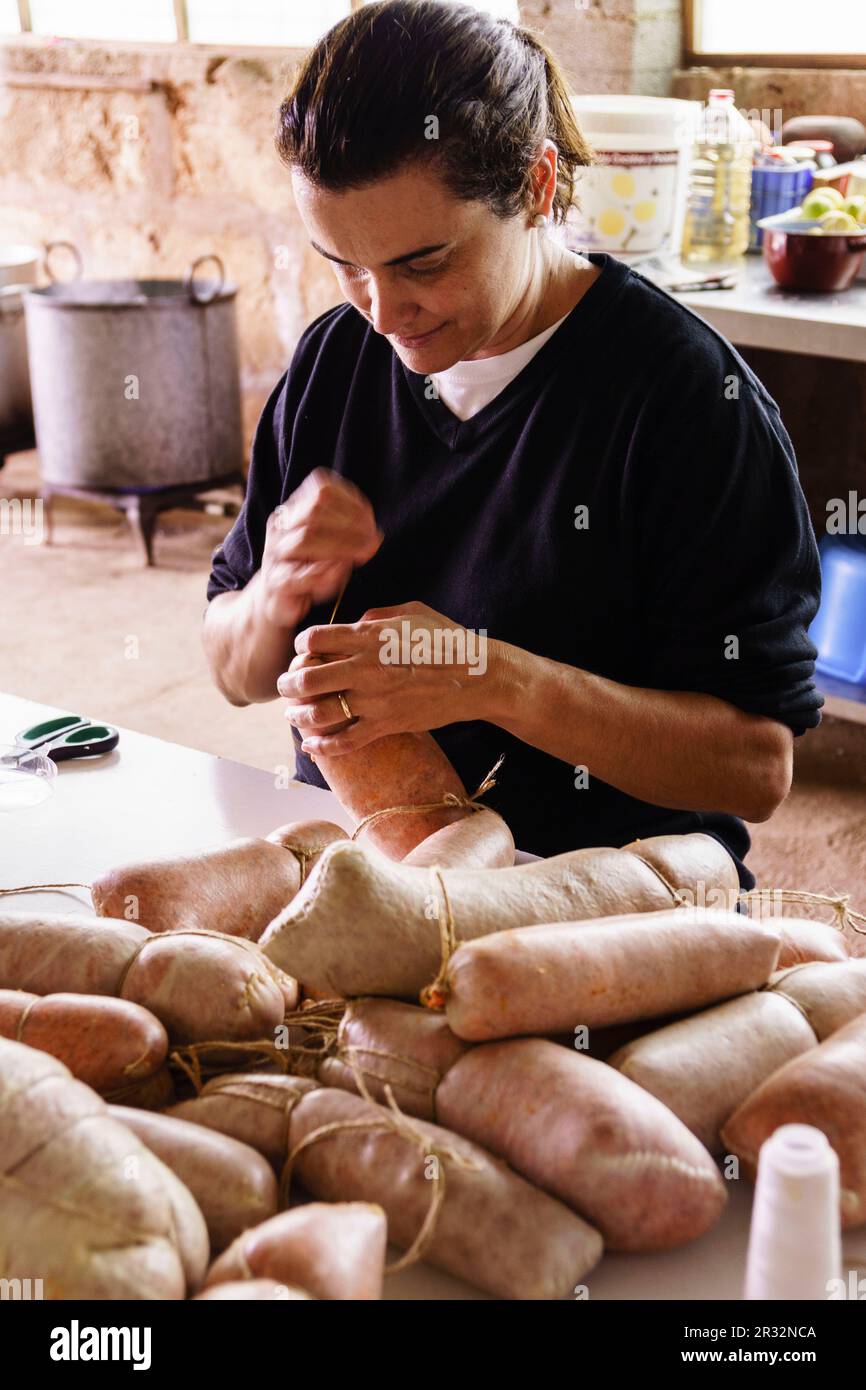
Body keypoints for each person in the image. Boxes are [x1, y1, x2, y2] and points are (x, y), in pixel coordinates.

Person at [203, 0, 822, 888]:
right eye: (342, 262)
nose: (381, 312)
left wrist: (491, 679)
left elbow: (756, 769)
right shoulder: (334, 360)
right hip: (368, 879)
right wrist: (272, 594)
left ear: (535, 188)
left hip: (596, 900)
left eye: (422, 263)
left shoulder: (688, 400)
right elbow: (233, 670)